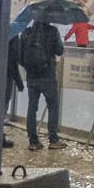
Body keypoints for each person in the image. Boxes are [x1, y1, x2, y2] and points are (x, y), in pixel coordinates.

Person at [11, 15, 63, 150]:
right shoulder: (52, 31)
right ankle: (53, 140)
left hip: (32, 77)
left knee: (32, 107)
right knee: (53, 106)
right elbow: (59, 50)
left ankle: (33, 141)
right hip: (48, 76)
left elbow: (20, 58)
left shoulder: (26, 32)